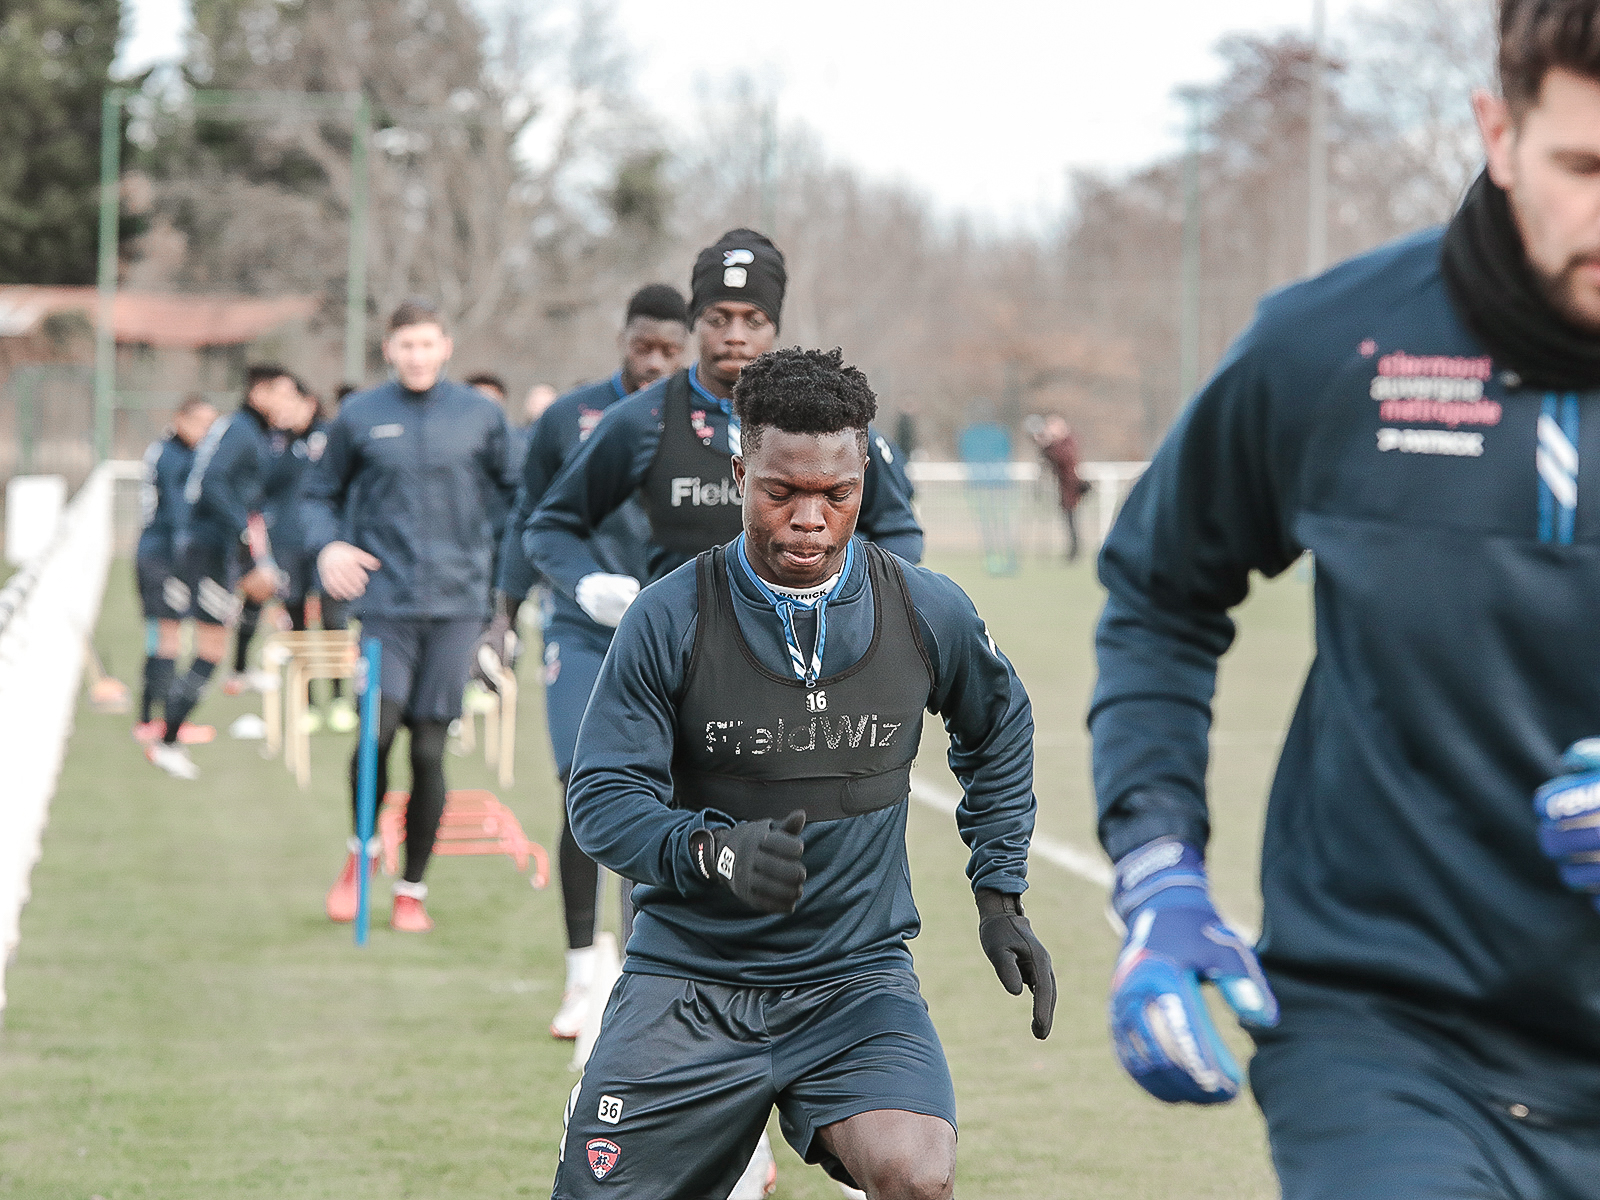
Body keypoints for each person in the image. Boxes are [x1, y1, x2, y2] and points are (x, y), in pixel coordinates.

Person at [1091, 5, 1600, 1197]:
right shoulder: (1331, 349)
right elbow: (1159, 594)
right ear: (1498, 132)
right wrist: (1156, 866)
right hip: (1387, 1037)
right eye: (1586, 166)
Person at [553, 347, 1054, 1200]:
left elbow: (1000, 725)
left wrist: (999, 896)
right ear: (741, 472)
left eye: (837, 493)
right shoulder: (668, 614)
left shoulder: (925, 608)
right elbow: (600, 800)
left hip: (854, 981)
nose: (811, 519)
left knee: (916, 1176)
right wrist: (714, 852)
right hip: (690, 982)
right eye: (781, 492)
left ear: (864, 476)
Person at [480, 282, 690, 1039]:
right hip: (581, 629)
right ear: (623, 340)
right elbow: (531, 520)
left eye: (671, 350)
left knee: (658, 805)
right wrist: (501, 617)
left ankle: (643, 979)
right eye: (645, 347)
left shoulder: (706, 429)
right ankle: (578, 976)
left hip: (670, 641)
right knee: (586, 790)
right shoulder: (570, 418)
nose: (655, 362)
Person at [305, 299, 520, 933]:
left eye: (427, 345)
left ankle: (411, 889)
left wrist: (501, 586)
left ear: (445, 346)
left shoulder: (482, 416)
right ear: (389, 351)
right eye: (406, 346)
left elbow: (520, 498)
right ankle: (359, 855)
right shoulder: (360, 415)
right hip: (384, 606)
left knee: (429, 752)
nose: (417, 356)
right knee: (375, 731)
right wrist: (329, 545)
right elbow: (318, 495)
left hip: (458, 608)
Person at [145, 365, 298, 779]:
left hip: (221, 546)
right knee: (208, 648)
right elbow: (212, 484)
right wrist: (246, 534)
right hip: (209, 548)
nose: (288, 402)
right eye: (283, 393)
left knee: (263, 588)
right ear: (260, 392)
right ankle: (168, 739)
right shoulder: (242, 431)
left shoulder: (252, 431)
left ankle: (241, 669)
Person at [262, 382, 355, 733]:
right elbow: (264, 486)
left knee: (334, 620)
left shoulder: (331, 437)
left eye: (290, 402)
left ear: (309, 401)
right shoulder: (273, 443)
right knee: (297, 622)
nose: (283, 409)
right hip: (287, 545)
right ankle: (306, 703)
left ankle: (340, 698)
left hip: (326, 546)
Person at [133, 393, 218, 743]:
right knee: (169, 637)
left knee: (167, 636)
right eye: (203, 424)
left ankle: (153, 718)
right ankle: (157, 721)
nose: (208, 432)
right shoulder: (173, 457)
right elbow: (180, 511)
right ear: (180, 420)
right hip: (163, 555)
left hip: (164, 552)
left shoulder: (171, 451)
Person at [1027, 414, 1088, 561]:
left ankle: (1074, 551)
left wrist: (1049, 443)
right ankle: (1073, 550)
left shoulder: (1066, 442)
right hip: (1064, 487)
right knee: (1069, 519)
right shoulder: (1058, 444)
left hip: (1071, 486)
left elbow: (1063, 458)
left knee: (1071, 519)